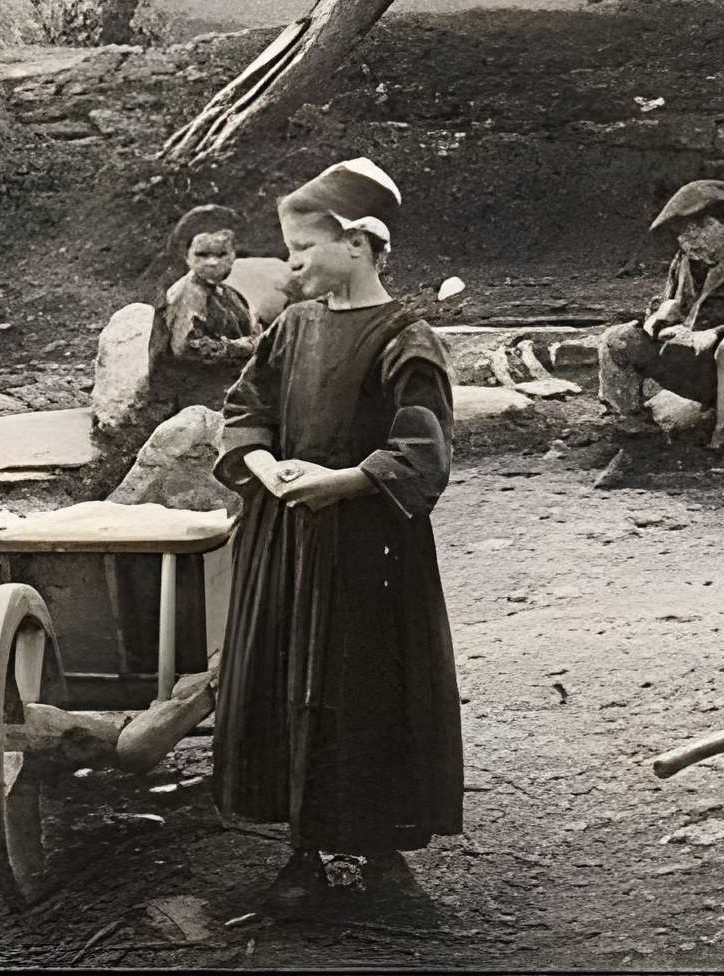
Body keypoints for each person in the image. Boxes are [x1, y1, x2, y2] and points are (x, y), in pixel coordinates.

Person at [214, 156, 463, 913]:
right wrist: (264, 464)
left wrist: (343, 481)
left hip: (367, 551)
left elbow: (420, 450)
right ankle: (303, 852)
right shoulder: (292, 328)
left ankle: (383, 849)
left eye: (302, 249)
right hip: (286, 540)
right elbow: (246, 408)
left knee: (366, 687)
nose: (290, 265)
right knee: (289, 683)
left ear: (356, 243)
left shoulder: (405, 339)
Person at [599, 179, 724, 458]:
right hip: (696, 364)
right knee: (618, 339)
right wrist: (659, 317)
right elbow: (668, 301)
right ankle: (631, 426)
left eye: (701, 227)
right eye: (683, 231)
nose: (690, 240)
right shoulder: (685, 260)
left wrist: (716, 332)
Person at [149, 203, 262, 420]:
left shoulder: (230, 294)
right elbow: (185, 348)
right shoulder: (188, 293)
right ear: (187, 257)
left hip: (227, 384)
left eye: (221, 254)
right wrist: (235, 348)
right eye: (202, 254)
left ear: (233, 255)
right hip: (193, 393)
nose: (212, 262)